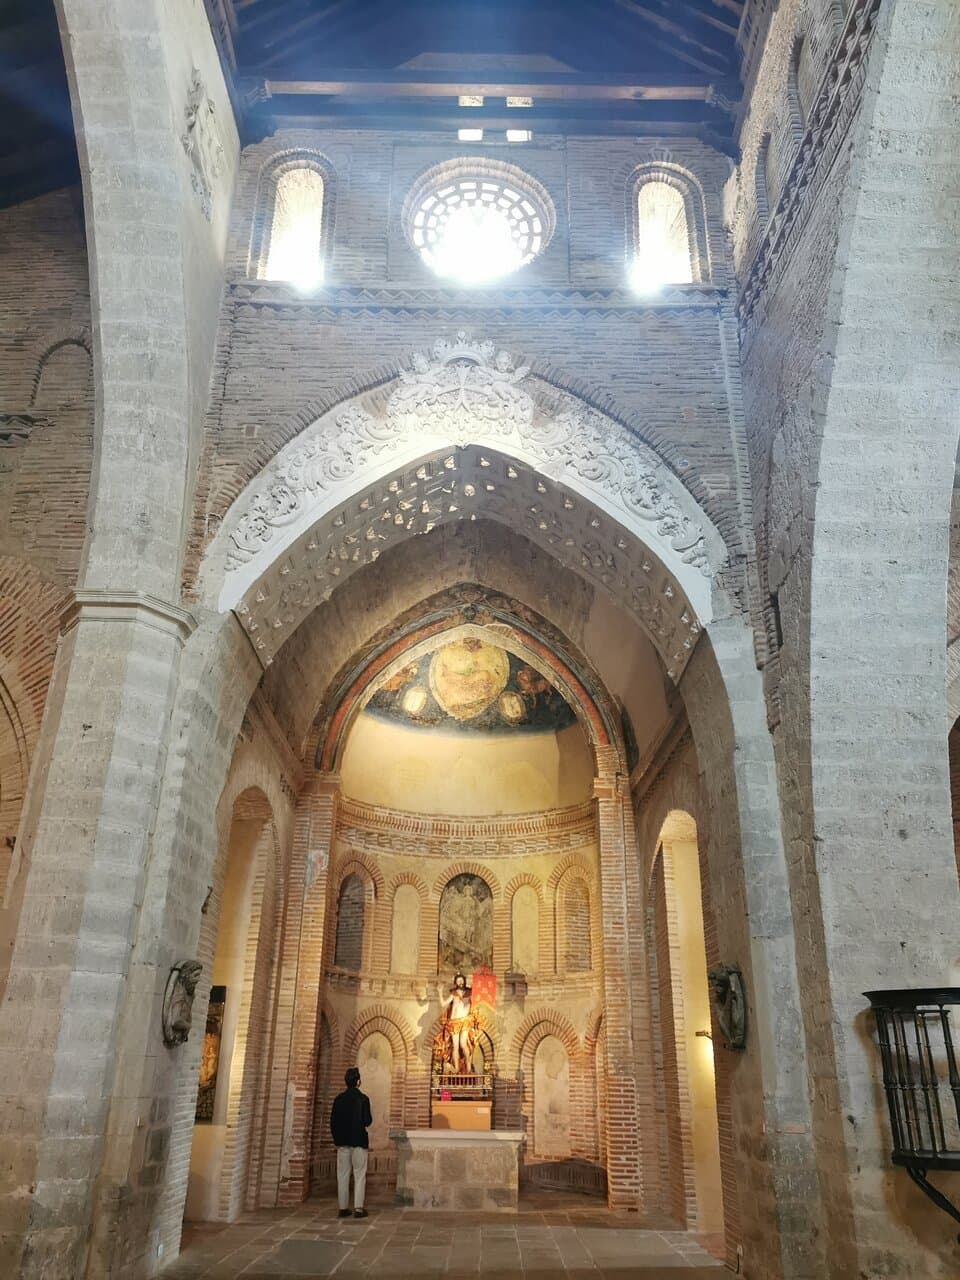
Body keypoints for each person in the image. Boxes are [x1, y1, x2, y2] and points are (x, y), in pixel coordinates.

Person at [330, 1066, 372, 1218]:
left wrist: (337, 1139)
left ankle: (343, 1208)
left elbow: (333, 1122)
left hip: (343, 1142)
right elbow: (368, 1121)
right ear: (358, 1081)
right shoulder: (363, 1099)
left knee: (342, 1174)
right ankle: (359, 1209)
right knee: (360, 1174)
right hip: (359, 1141)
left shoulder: (338, 1100)